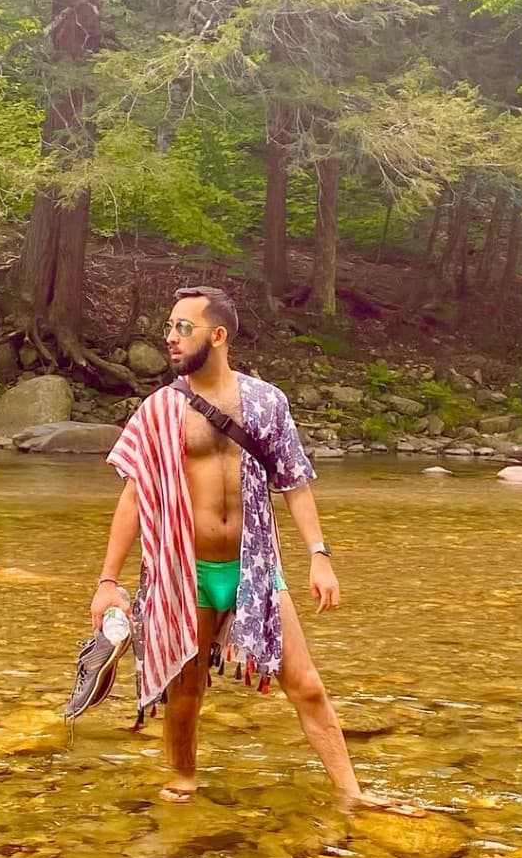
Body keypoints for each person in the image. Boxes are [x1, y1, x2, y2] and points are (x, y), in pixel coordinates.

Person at [90, 285, 413, 813]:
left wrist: (319, 555)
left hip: (254, 569)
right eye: (169, 327)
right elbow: (133, 496)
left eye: (183, 327)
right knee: (186, 688)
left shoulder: (266, 402)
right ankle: (182, 777)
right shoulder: (158, 411)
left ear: (217, 336)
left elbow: (296, 482)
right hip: (182, 570)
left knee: (305, 684)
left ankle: (352, 793)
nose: (171, 338)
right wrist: (108, 581)